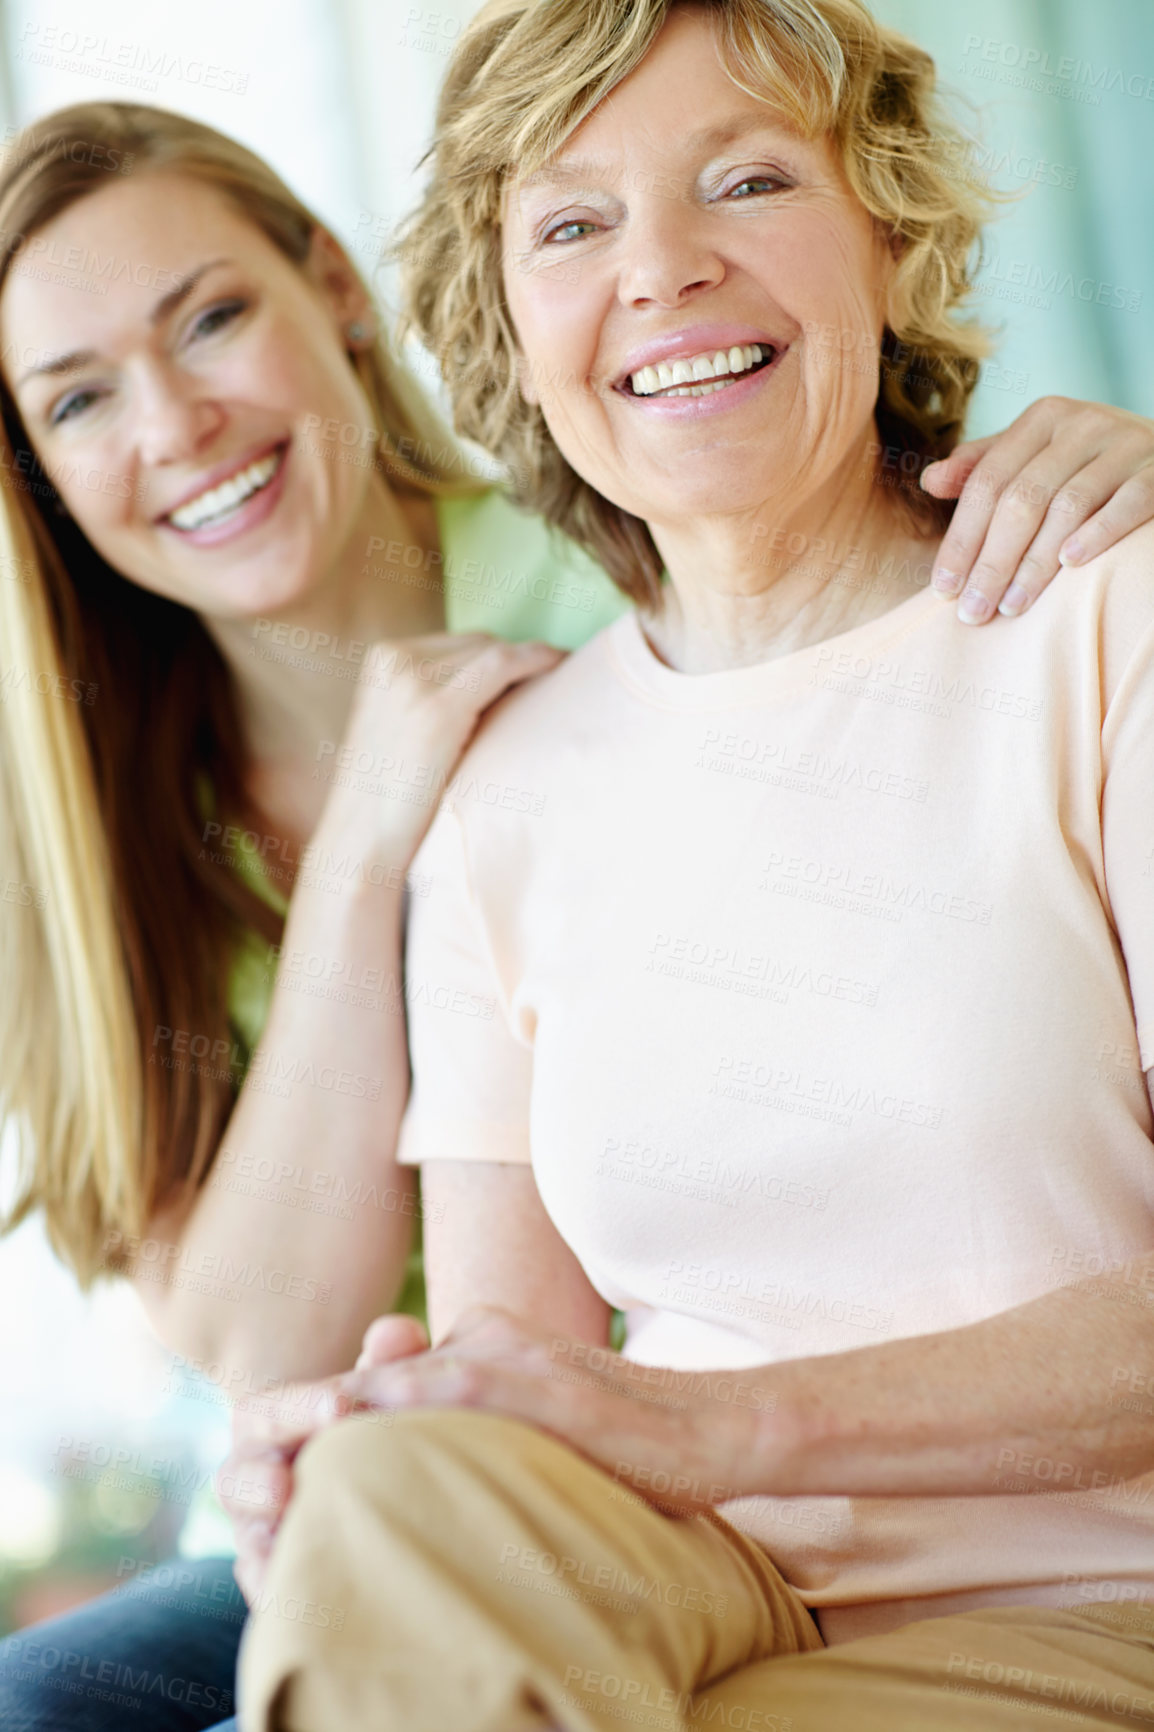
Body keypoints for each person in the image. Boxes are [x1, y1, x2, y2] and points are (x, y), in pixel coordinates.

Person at [0, 76, 1148, 1732]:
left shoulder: (629, 538)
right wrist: (371, 849)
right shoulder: (106, 806)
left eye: (211, 319)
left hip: (835, 1496)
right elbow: (284, 1346)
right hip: (528, 1500)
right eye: (79, 397)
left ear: (335, 287)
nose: (175, 424)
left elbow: (816, 497)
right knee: (60, 1698)